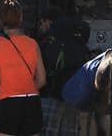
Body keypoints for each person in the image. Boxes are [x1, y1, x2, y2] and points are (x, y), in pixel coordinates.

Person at [0, 0, 45, 136]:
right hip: (32, 103)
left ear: (0, 19)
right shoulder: (33, 44)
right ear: (20, 18)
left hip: (8, 104)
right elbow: (42, 80)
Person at [36, 7, 83, 136]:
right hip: (72, 101)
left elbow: (41, 76)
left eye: (41, 23)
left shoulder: (47, 42)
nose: (40, 27)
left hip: (50, 97)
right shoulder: (77, 43)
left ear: (49, 22)